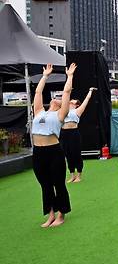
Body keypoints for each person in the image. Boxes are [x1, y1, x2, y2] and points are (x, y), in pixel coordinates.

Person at [31, 63, 76, 227]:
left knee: (58, 183)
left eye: (58, 99)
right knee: (45, 185)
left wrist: (69, 76)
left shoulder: (60, 114)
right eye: (54, 98)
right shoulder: (39, 112)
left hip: (54, 152)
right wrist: (45, 76)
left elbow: (66, 92)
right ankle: (50, 214)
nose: (56, 99)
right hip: (38, 152)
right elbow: (37, 92)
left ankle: (61, 215)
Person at [61, 86, 96, 183]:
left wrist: (90, 91)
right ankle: (72, 175)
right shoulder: (63, 110)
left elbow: (86, 100)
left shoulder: (77, 111)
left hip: (73, 133)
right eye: (70, 101)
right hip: (64, 133)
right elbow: (65, 96)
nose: (71, 102)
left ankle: (79, 175)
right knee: (68, 155)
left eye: (73, 102)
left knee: (76, 154)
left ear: (76, 105)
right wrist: (67, 92)